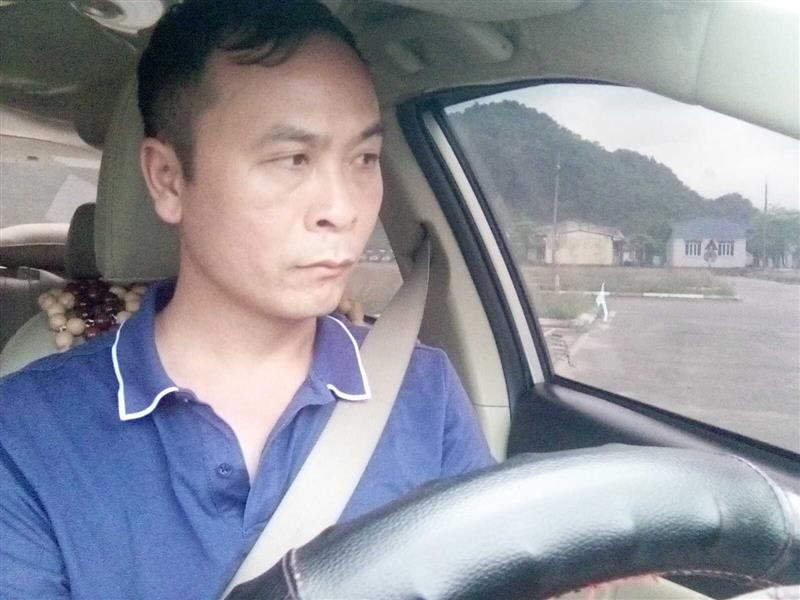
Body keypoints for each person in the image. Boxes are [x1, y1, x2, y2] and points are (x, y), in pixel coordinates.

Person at [0, 1, 493, 598]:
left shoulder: (421, 391)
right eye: (292, 159)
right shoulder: (25, 437)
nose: (343, 209)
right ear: (168, 179)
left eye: (364, 158)